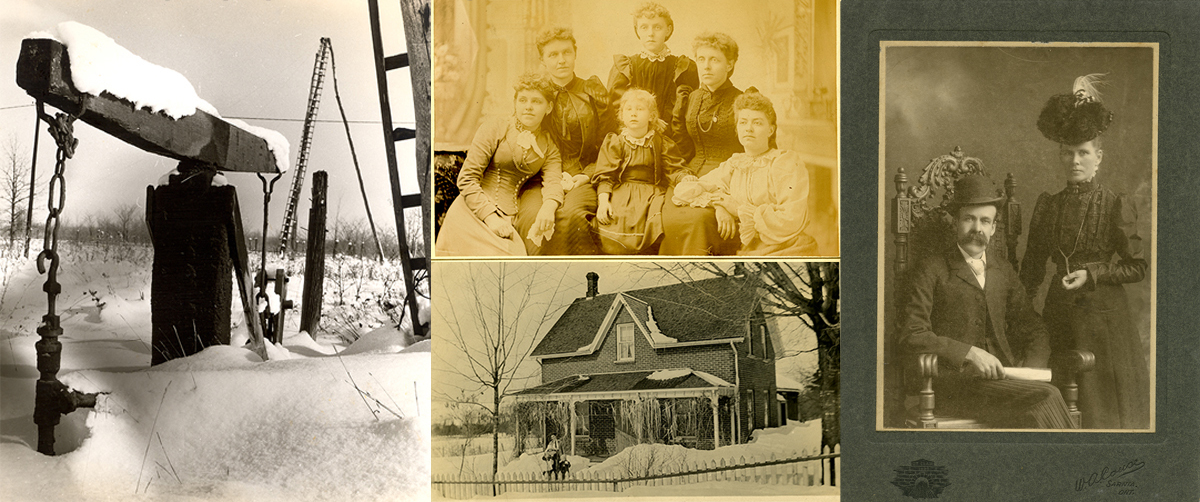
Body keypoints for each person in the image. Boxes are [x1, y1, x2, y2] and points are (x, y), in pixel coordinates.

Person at [1020, 75, 1150, 429]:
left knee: (1100, 414)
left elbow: (1137, 267)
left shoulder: (1114, 204)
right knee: (1056, 407)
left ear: (1099, 157)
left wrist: (1092, 273)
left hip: (1104, 324)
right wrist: (1020, 314)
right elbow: (1030, 271)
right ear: (1060, 155)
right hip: (1057, 318)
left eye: (1083, 153)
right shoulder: (1047, 206)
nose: (1075, 161)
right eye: (1068, 152)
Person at [897, 174, 1077, 429]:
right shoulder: (932, 268)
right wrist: (969, 353)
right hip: (952, 386)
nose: (976, 229)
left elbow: (1033, 326)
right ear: (955, 223)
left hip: (1004, 383)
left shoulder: (1002, 270)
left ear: (994, 228)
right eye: (969, 219)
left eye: (985, 221)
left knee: (1041, 394)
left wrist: (1032, 372)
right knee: (1046, 397)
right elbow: (912, 334)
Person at [434, 73, 563, 256]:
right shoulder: (496, 127)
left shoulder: (548, 146)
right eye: (523, 100)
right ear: (515, 103)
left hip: (508, 218)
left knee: (514, 260)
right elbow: (466, 179)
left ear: (548, 107)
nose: (528, 107)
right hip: (471, 213)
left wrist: (548, 208)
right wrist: (491, 219)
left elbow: (553, 182)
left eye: (536, 101)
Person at [674, 91, 817, 255]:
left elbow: (791, 219)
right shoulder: (735, 164)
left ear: (770, 130)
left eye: (757, 123)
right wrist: (719, 204)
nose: (748, 129)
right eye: (743, 122)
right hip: (749, 249)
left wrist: (737, 209)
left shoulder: (785, 162)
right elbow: (684, 191)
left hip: (788, 247)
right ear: (737, 129)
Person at [512, 28, 609, 256]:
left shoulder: (592, 91)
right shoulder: (535, 96)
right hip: (541, 178)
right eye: (553, 55)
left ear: (575, 54)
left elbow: (609, 143)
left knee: (571, 216)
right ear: (543, 61)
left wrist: (588, 174)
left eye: (567, 52)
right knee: (531, 217)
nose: (561, 60)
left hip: (583, 175)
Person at [660, 32, 744, 255]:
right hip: (691, 174)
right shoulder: (692, 97)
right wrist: (681, 175)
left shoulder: (742, 101)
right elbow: (681, 146)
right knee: (670, 216)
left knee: (699, 220)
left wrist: (722, 202)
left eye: (714, 60)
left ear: (730, 64)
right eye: (701, 59)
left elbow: (751, 155)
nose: (706, 67)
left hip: (729, 178)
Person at [591, 89, 688, 255]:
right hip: (622, 192)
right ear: (621, 115)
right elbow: (605, 176)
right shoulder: (616, 142)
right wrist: (603, 202)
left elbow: (674, 168)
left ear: (651, 116)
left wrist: (685, 178)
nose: (633, 114)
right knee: (615, 219)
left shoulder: (661, 142)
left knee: (659, 219)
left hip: (652, 193)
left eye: (640, 109)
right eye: (628, 109)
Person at [607, 2, 698, 138]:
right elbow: (616, 110)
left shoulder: (682, 67)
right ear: (637, 30)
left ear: (668, 30)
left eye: (657, 27)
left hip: (672, 136)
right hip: (633, 136)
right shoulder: (625, 68)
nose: (650, 33)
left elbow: (687, 110)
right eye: (644, 27)